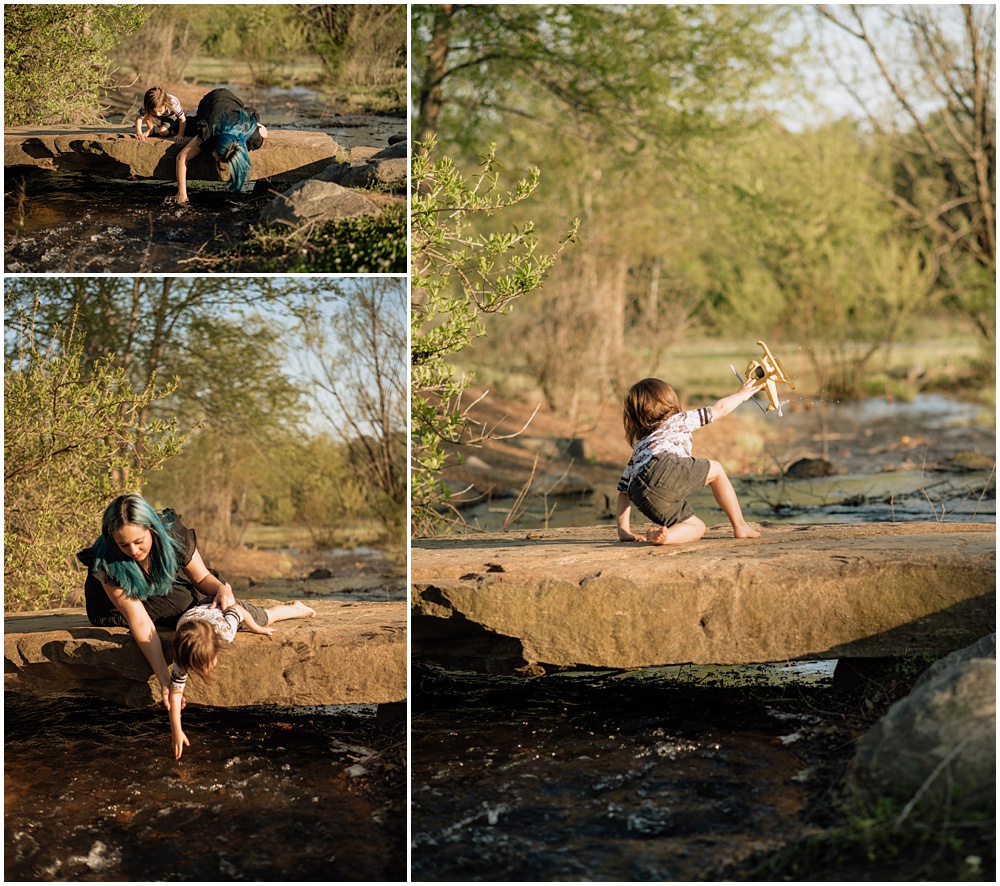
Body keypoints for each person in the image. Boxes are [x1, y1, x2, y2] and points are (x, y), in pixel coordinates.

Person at [78, 494, 239, 709]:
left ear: (152, 529)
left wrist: (221, 588)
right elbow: (141, 622)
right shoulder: (107, 563)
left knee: (202, 598)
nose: (133, 551)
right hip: (111, 606)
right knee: (184, 606)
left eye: (139, 542)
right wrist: (165, 680)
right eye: (123, 545)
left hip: (154, 586)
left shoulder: (172, 533)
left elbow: (201, 578)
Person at [616, 376, 764, 546]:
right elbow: (720, 409)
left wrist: (624, 531)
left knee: (696, 526)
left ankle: (665, 537)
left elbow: (623, 492)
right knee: (716, 470)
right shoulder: (679, 420)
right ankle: (740, 525)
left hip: (640, 494)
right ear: (671, 404)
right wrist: (742, 395)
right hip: (664, 466)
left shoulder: (640, 447)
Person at [168, 599, 316, 759]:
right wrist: (177, 730)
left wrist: (256, 628)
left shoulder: (225, 632)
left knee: (266, 617)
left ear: (218, 647)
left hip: (225, 607)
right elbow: (175, 695)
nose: (206, 669)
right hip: (197, 614)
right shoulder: (182, 655)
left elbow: (237, 609)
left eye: (207, 664)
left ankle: (296, 609)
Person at [173, 87, 269, 205]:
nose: (215, 157)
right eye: (216, 155)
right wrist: (182, 193)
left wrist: (253, 126)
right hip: (210, 101)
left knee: (247, 121)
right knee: (184, 126)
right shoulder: (208, 133)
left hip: (233, 101)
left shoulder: (251, 138)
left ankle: (242, 117)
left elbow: (264, 131)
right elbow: (181, 157)